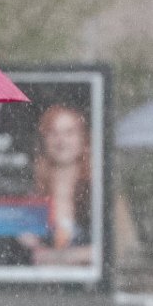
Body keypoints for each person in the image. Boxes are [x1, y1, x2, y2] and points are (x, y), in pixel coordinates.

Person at [18, 104, 94, 266]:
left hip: (88, 290)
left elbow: (119, 249)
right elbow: (20, 248)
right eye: (53, 133)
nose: (61, 140)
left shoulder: (99, 193)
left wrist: (57, 257)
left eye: (69, 132)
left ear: (83, 139)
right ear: (44, 140)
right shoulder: (32, 193)